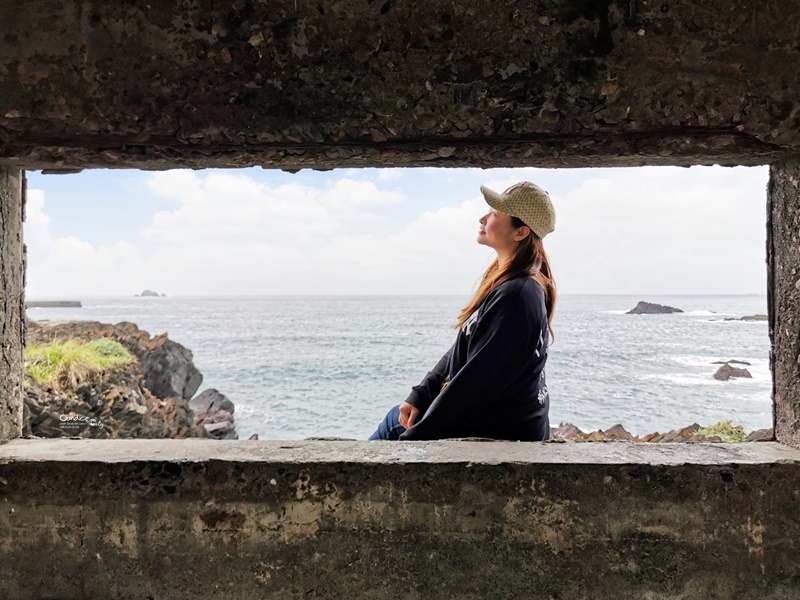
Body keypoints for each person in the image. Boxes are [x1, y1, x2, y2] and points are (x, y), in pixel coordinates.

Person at [368, 181, 557, 441]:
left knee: (394, 425)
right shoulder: (512, 284)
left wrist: (414, 439)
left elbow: (473, 387)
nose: (483, 217)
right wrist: (421, 394)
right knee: (398, 416)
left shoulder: (517, 295)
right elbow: (466, 346)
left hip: (502, 433)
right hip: (502, 422)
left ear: (520, 232)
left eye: (494, 214)